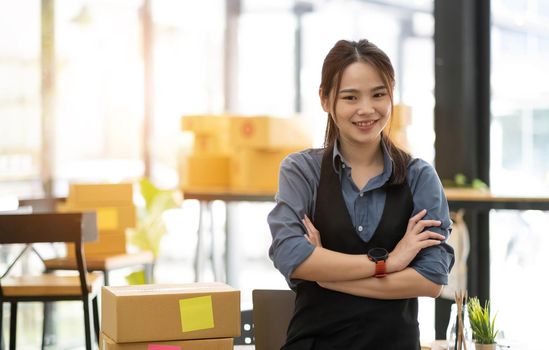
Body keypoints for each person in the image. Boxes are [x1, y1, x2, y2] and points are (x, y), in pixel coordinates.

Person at [267, 39, 455, 349]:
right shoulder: (302, 171)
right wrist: (389, 263)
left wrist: (326, 275)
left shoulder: (419, 177)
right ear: (326, 100)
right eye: (350, 97)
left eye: (378, 94)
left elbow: (431, 278)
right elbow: (290, 254)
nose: (366, 109)